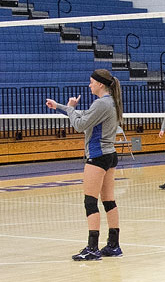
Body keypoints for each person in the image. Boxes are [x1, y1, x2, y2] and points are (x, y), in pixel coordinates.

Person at [45, 69, 125, 261]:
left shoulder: (101, 103)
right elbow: (84, 115)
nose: (89, 85)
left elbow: (80, 125)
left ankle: (92, 248)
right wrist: (60, 106)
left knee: (90, 201)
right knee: (108, 200)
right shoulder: (109, 102)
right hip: (110, 155)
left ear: (100, 84)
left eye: (91, 82)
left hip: (97, 156)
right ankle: (114, 245)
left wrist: (71, 108)